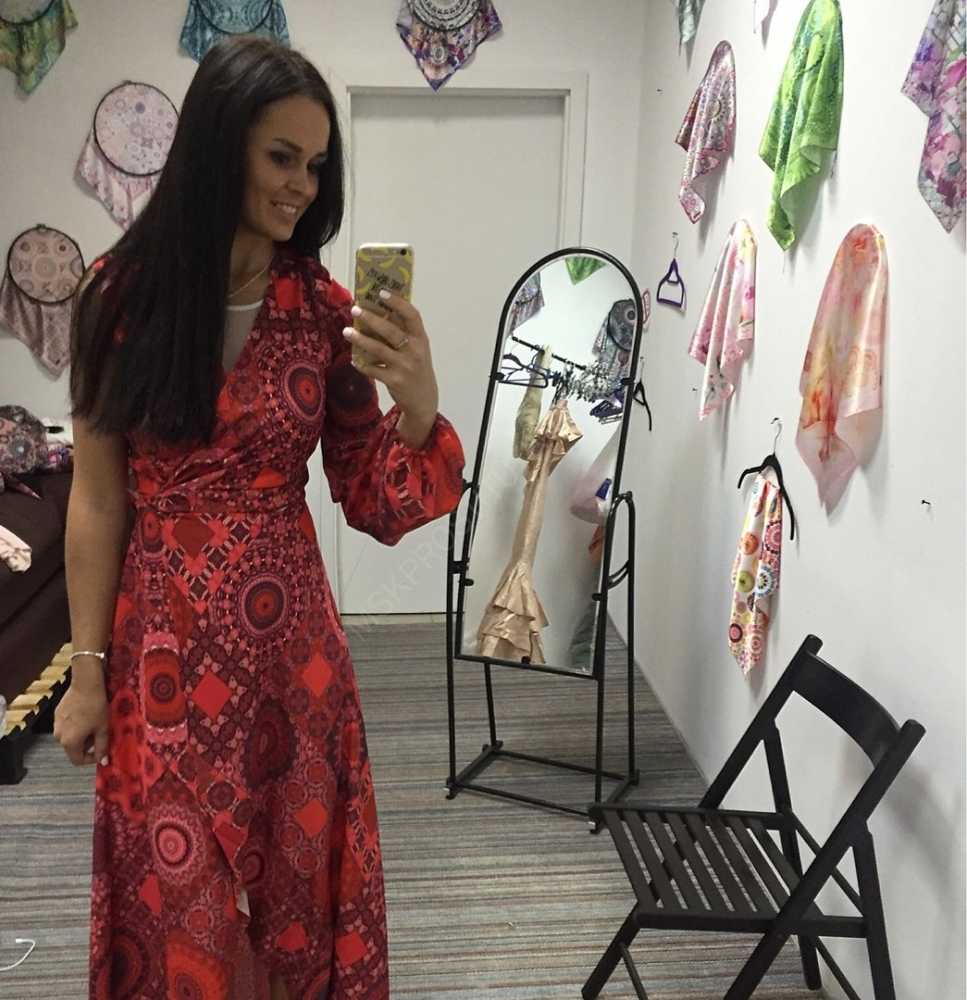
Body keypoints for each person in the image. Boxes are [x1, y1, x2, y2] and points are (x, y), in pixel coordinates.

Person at [53, 35, 465, 1000]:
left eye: (315, 166)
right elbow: (98, 498)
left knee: (292, 900)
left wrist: (417, 405)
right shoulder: (118, 300)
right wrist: (86, 670)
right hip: (159, 657)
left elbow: (370, 496)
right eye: (281, 157)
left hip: (294, 666)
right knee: (179, 900)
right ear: (217, 145)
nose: (300, 186)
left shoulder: (322, 312)